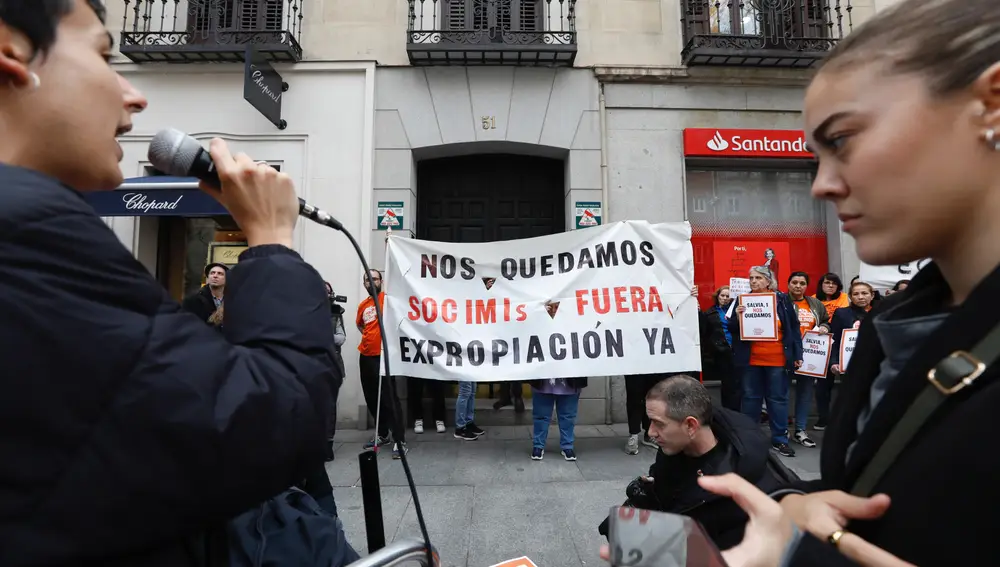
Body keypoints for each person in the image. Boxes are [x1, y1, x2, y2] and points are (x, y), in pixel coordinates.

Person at [649, 2, 1000, 566]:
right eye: (816, 156)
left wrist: (806, 550)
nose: (822, 186)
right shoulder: (898, 326)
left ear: (991, 103)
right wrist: (793, 511)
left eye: (844, 139)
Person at [0, 1, 342, 564]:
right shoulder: (27, 234)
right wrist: (273, 241)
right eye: (104, 55)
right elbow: (273, 420)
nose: (133, 97)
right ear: (11, 51)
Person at [597, 376, 795, 550]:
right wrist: (648, 498)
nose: (650, 432)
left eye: (659, 423)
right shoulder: (676, 447)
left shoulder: (747, 489)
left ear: (691, 425)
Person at [729, 266, 803, 457]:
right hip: (751, 359)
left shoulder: (782, 299)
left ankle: (780, 439)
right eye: (751, 278)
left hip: (777, 358)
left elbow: (793, 328)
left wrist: (798, 355)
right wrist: (738, 316)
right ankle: (750, 439)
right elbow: (731, 327)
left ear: (768, 281)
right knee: (750, 399)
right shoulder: (741, 300)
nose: (753, 281)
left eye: (758, 278)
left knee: (777, 399)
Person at [356, 269, 407, 458]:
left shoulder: (389, 299)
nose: (370, 282)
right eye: (366, 280)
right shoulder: (363, 305)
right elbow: (360, 325)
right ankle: (382, 433)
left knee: (389, 398)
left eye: (374, 279)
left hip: (385, 356)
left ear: (381, 281)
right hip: (366, 355)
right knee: (371, 397)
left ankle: (399, 439)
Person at [786, 271, 831, 448]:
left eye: (802, 283)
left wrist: (825, 328)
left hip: (810, 354)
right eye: (795, 282)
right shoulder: (781, 301)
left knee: (805, 393)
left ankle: (800, 430)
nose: (798, 286)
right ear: (788, 284)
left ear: (807, 286)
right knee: (782, 393)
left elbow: (826, 321)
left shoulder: (815, 303)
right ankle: (782, 430)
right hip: (787, 354)